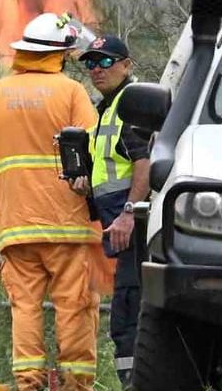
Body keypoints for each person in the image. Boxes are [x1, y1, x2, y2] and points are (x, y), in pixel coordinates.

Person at [0, 13, 102, 391]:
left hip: (16, 227)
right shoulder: (71, 93)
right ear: (60, 53)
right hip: (68, 225)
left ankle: (29, 384)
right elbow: (94, 153)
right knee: (74, 307)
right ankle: (76, 385)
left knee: (24, 310)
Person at [76, 35, 150, 389]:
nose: (96, 70)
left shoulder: (131, 106)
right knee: (126, 312)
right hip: (122, 230)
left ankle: (136, 383)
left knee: (128, 315)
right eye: (90, 63)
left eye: (106, 62)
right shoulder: (107, 108)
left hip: (137, 230)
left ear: (126, 65)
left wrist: (129, 213)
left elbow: (144, 162)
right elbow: (113, 169)